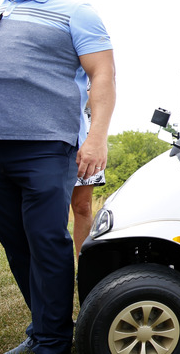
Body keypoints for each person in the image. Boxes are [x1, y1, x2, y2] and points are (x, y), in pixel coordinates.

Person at [0, 0, 116, 354]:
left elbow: (103, 75)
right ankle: (45, 330)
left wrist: (96, 138)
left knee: (47, 241)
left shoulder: (75, 11)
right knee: (17, 246)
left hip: (47, 145)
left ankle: (54, 342)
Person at [71, 93, 106, 256]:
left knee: (83, 206)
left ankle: (84, 267)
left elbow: (100, 97)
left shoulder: (99, 69)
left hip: (86, 136)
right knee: (51, 207)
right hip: (52, 131)